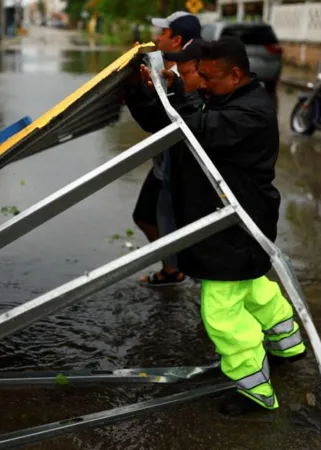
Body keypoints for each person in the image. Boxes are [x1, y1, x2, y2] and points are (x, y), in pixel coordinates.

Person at [126, 37, 307, 414]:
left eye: (208, 77)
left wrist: (177, 91)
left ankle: (254, 390)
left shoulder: (251, 113)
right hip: (236, 224)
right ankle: (289, 346)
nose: (202, 83)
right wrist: (149, 91)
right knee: (255, 288)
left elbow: (199, 127)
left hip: (236, 226)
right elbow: (173, 120)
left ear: (236, 74)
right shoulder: (227, 99)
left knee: (221, 314)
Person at [129, 11, 202, 287]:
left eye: (164, 33)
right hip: (167, 164)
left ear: (178, 39)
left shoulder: (186, 73)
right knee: (149, 215)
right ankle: (174, 268)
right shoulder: (175, 68)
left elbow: (156, 118)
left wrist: (134, 87)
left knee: (156, 216)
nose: (158, 38)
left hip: (178, 166)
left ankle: (181, 268)